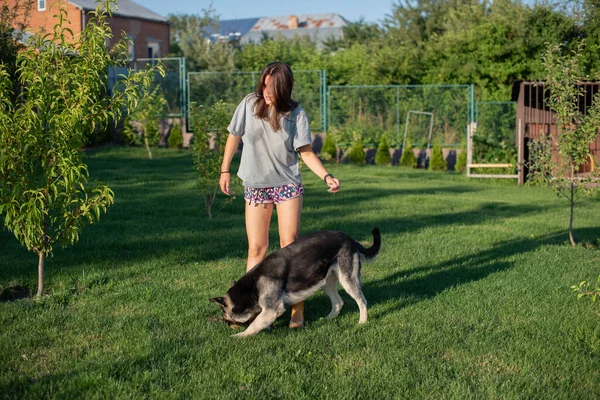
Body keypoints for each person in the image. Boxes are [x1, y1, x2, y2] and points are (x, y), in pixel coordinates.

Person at [219, 62, 340, 329]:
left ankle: (297, 308)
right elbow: (232, 136)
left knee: (290, 246)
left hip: (286, 185)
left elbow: (306, 151)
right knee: (256, 248)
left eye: (272, 86)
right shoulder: (250, 104)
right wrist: (224, 169)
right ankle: (253, 308)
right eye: (263, 83)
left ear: (284, 86)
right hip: (256, 186)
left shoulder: (295, 113)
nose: (266, 90)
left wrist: (326, 176)